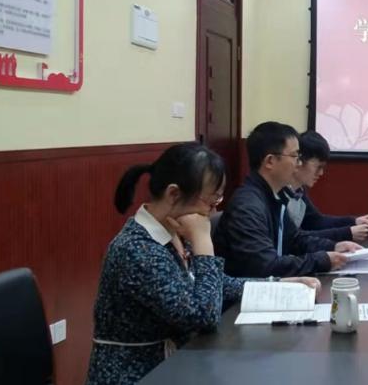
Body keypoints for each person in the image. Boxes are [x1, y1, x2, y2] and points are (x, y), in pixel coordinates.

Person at [86, 142, 319, 384]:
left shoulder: (172, 230)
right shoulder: (136, 249)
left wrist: (277, 285)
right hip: (136, 374)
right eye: (210, 202)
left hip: (174, 364)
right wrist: (203, 244)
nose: (214, 211)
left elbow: (214, 284)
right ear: (173, 194)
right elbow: (202, 316)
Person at [213, 121, 362, 277]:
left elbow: (295, 239)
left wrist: (334, 246)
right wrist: (321, 260)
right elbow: (266, 266)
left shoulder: (273, 196)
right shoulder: (247, 206)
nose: (298, 164)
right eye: (294, 156)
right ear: (270, 161)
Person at [280, 130, 368, 242]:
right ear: (299, 161)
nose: (321, 173)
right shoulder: (279, 195)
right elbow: (295, 238)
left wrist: (354, 221)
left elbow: (316, 221)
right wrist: (347, 233)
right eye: (318, 166)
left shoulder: (299, 191)